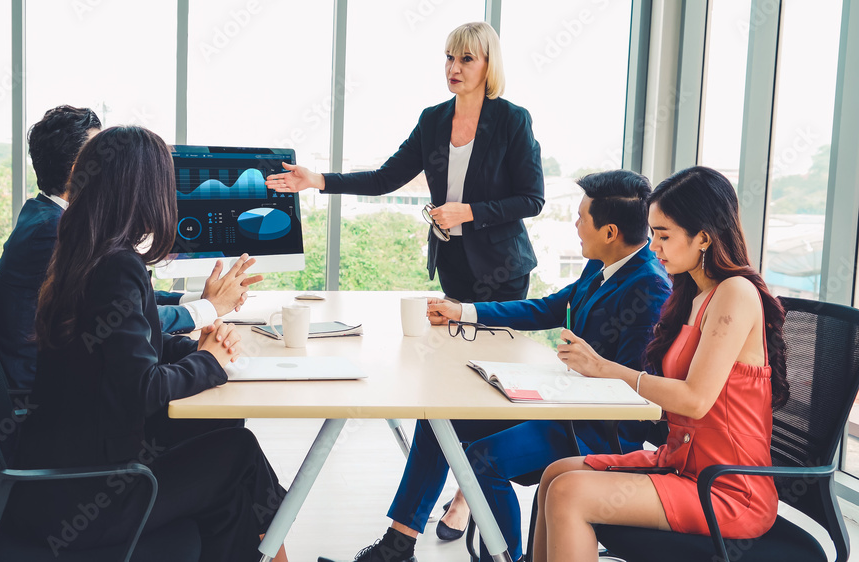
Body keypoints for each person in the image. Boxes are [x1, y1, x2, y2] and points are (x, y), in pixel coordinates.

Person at [321, 170, 670, 562]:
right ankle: (398, 546)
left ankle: (505, 559)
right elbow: (548, 308)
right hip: (562, 406)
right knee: (440, 418)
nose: (575, 225)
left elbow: (630, 385)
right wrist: (464, 311)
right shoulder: (603, 264)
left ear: (609, 232)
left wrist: (580, 370)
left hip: (594, 430)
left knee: (483, 460)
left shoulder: (650, 285)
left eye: (580, 217)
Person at [9, 126, 289, 562]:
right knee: (240, 455)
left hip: (57, 478)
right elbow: (141, 389)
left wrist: (196, 350)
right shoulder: (117, 266)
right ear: (145, 192)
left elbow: (128, 347)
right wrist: (210, 363)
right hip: (89, 496)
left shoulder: (83, 252)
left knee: (223, 433)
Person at [532, 166, 789, 562]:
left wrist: (605, 368)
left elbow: (695, 400)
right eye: (653, 234)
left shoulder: (735, 292)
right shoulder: (690, 293)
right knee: (555, 474)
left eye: (664, 235)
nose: (653, 247)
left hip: (728, 488)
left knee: (568, 494)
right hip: (681, 462)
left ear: (703, 237)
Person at [266, 22, 543, 303]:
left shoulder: (512, 120)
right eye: (449, 57)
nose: (453, 68)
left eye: (466, 59)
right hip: (452, 263)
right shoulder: (433, 120)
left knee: (496, 346)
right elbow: (384, 179)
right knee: (454, 346)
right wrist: (317, 180)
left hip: (502, 270)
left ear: (489, 65)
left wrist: (469, 212)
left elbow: (532, 199)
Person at [0, 105, 260, 390]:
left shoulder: (45, 215)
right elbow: (121, 318)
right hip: (51, 390)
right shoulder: (53, 231)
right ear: (79, 170)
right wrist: (208, 310)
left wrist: (198, 302)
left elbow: (123, 304)